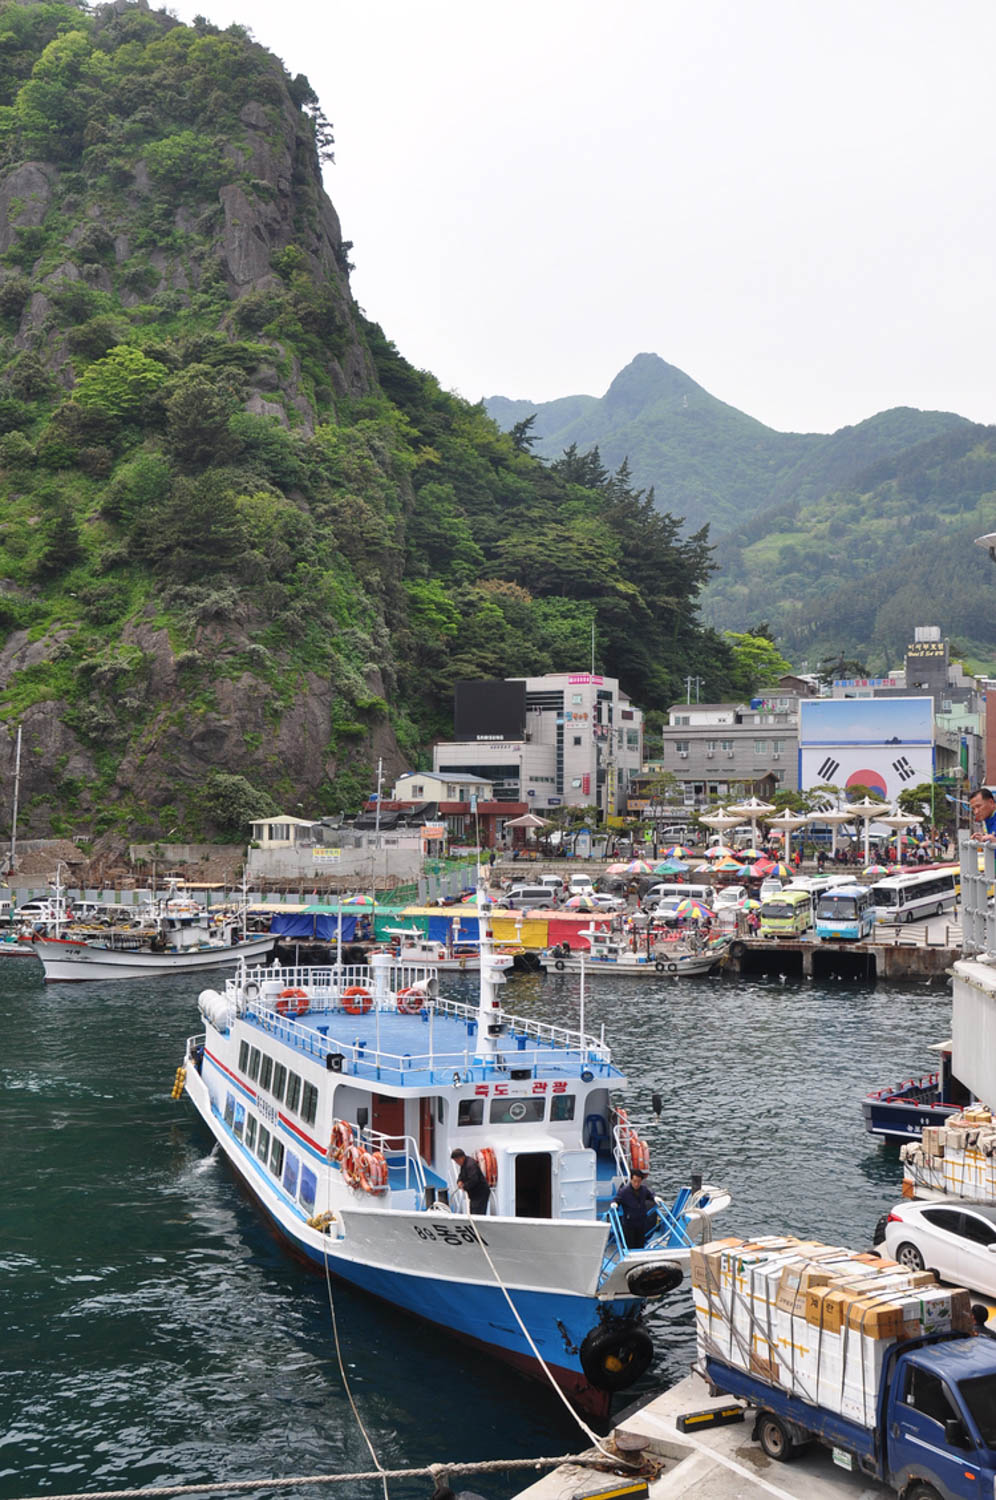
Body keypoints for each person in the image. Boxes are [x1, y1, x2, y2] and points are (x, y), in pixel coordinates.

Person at [611, 1168, 657, 1249]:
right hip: (629, 1224)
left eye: (638, 1181)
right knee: (630, 1245)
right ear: (631, 1180)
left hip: (641, 1222)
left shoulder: (644, 1189)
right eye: (634, 1181)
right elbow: (617, 1199)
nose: (636, 1184)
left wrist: (655, 1198)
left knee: (640, 1245)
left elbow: (650, 1195)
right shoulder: (624, 1191)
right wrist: (614, 1203)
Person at [451, 1149, 489, 1214]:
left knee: (477, 1213)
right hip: (474, 1194)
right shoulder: (464, 1164)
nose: (456, 1163)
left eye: (456, 1161)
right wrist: (459, 1181)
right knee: (473, 1212)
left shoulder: (470, 1165)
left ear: (461, 1158)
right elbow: (462, 1174)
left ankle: (477, 1224)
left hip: (480, 1193)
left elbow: (474, 1180)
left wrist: (464, 1186)